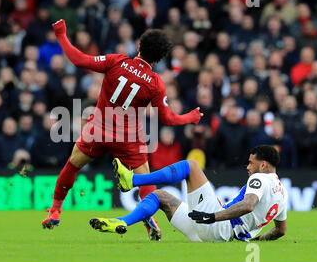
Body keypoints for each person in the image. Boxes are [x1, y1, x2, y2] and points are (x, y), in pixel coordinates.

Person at [42, 19, 203, 241]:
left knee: (72, 166)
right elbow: (166, 118)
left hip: (97, 131)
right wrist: (190, 117)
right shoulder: (155, 83)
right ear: (159, 58)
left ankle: (55, 210)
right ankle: (149, 220)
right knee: (146, 182)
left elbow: (79, 60)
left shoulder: (117, 61)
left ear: (138, 46)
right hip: (129, 139)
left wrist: (61, 34)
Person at [91, 145, 287, 242]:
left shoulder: (260, 178)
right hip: (211, 234)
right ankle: (123, 221)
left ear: (263, 165)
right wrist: (258, 239)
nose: (248, 167)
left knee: (191, 166)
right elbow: (281, 231)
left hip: (217, 225)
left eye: (251, 163)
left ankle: (133, 180)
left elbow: (248, 204)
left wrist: (213, 216)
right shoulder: (283, 194)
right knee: (159, 196)